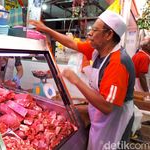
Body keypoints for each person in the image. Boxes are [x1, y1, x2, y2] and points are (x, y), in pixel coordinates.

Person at [29, 10, 135, 150]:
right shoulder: (98, 51)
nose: (89, 33)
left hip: (114, 122)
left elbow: (107, 107)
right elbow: (71, 43)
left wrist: (76, 81)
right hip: (100, 117)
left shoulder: (117, 63)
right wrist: (47, 29)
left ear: (108, 35)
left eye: (95, 30)